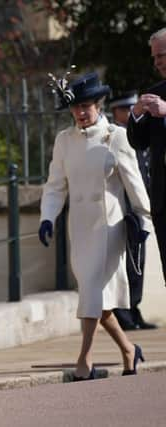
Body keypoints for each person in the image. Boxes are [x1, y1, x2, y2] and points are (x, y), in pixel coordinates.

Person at [39, 72, 151, 380]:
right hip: (80, 228)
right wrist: (47, 217)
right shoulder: (64, 141)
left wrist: (143, 219)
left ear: (98, 105)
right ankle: (129, 350)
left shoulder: (116, 136)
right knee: (98, 302)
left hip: (109, 227)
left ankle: (84, 360)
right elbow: (55, 186)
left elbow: (134, 183)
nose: (81, 112)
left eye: (86, 106)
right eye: (76, 107)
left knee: (91, 292)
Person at [109, 91, 157, 330]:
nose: (130, 114)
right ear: (116, 111)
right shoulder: (113, 135)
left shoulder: (137, 132)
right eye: (125, 110)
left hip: (139, 205)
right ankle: (123, 313)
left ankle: (134, 309)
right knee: (125, 261)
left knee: (138, 259)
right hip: (122, 207)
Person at [128, 27, 166, 288]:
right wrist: (137, 115)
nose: (157, 62)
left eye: (161, 55)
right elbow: (138, 143)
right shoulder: (156, 92)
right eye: (154, 58)